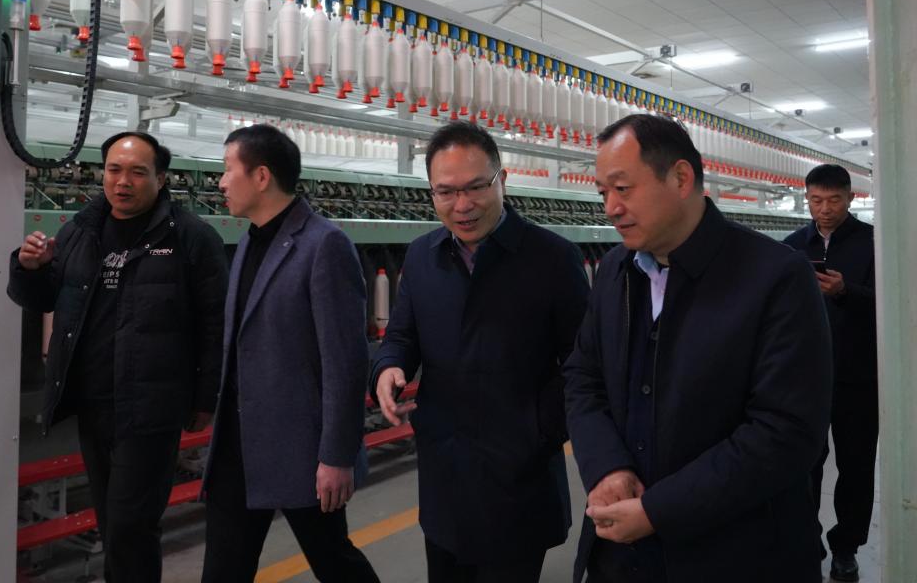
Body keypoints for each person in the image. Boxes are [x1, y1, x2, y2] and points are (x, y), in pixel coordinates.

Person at [564, 113, 832, 583]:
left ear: (681, 178)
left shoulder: (775, 277)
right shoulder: (614, 272)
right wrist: (607, 468)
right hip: (623, 558)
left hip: (739, 556)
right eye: (603, 192)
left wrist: (658, 510)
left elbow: (785, 432)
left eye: (623, 189)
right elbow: (583, 379)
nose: (610, 208)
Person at [371, 121, 590, 583]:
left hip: (520, 478)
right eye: (446, 192)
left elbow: (583, 363)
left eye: (475, 187)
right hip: (445, 474)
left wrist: (539, 429)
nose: (462, 204)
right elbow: (402, 335)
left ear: (501, 180)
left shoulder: (552, 259)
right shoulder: (422, 257)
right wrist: (388, 368)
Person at [7, 132, 227, 583]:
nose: (122, 181)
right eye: (114, 170)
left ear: (161, 179)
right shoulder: (80, 231)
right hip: (93, 401)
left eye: (137, 172)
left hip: (151, 405)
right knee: (112, 520)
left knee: (131, 525)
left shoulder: (190, 237)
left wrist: (207, 397)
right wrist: (29, 269)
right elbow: (43, 299)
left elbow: (215, 323)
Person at [201, 124, 379, 583]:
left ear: (261, 176)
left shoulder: (324, 244)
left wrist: (337, 455)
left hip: (300, 448)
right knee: (223, 568)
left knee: (334, 561)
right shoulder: (249, 241)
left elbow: (345, 361)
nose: (220, 182)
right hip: (238, 445)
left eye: (228, 170)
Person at [784, 164, 877, 583]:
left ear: (850, 198)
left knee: (856, 466)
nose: (824, 209)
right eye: (816, 200)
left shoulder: (874, 243)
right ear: (806, 198)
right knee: (804, 463)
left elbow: (893, 302)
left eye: (834, 200)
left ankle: (846, 547)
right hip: (805, 375)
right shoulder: (792, 247)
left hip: (859, 375)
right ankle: (806, 542)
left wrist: (845, 291)